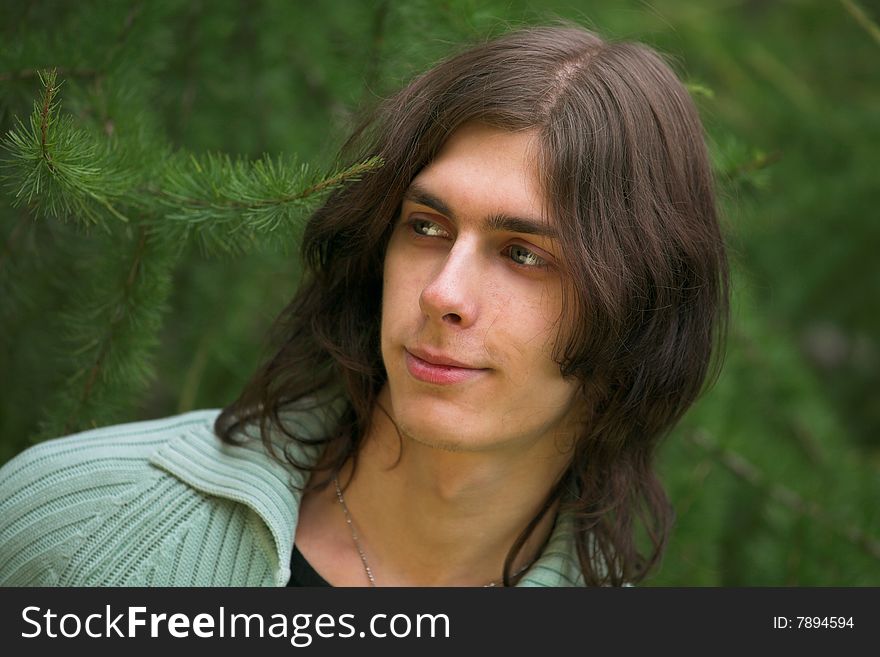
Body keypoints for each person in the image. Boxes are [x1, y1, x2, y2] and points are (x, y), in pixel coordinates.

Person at [0, 24, 728, 587]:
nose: (443, 292)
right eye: (425, 226)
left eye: (523, 254)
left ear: (635, 310)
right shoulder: (82, 524)